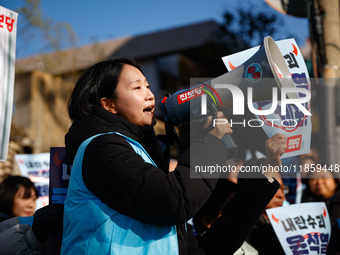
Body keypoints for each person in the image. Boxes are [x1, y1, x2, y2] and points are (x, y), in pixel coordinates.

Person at [60, 57, 234, 255]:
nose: (150, 95)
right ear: (109, 104)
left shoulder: (139, 151)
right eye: (137, 88)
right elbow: (175, 202)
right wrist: (209, 142)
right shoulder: (102, 149)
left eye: (148, 86)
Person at [246, 172, 289, 255]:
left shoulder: (291, 222)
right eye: (275, 187)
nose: (281, 195)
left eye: (283, 188)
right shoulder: (245, 231)